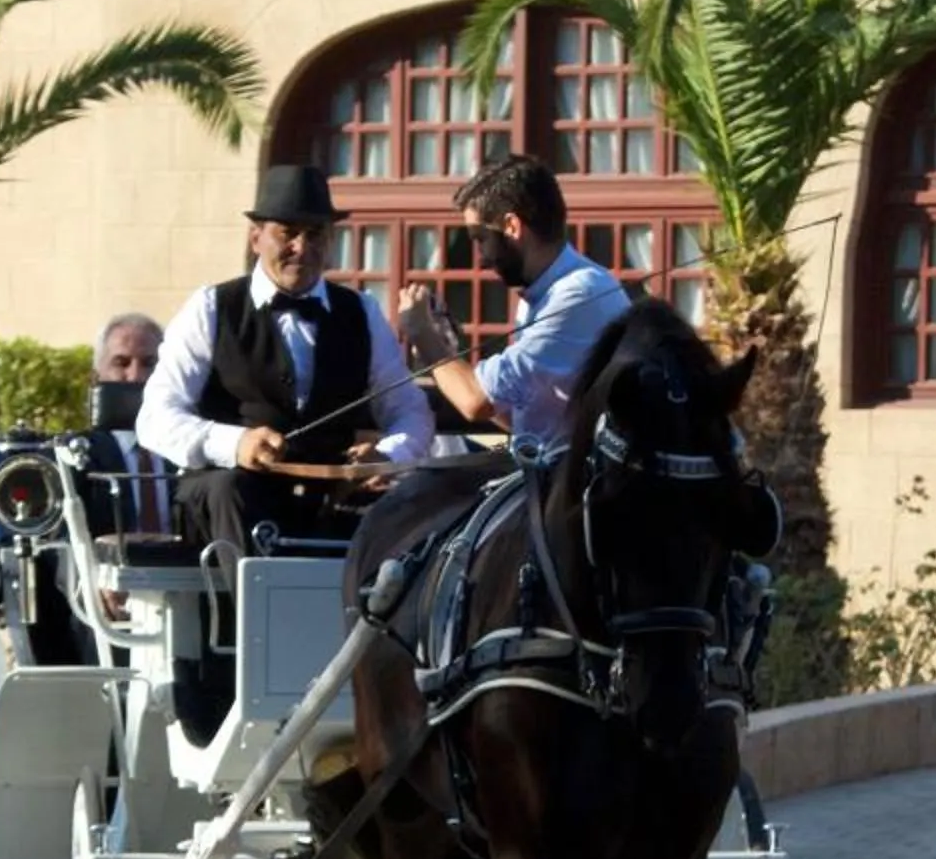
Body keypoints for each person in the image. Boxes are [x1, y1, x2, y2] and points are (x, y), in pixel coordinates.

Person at [138, 162, 433, 556]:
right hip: (228, 499)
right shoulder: (211, 307)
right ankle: (244, 616)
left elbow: (410, 411)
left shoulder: (361, 312)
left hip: (327, 497)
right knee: (231, 489)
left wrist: (387, 455)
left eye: (315, 235)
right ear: (256, 237)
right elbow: (155, 418)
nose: (302, 248)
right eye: (288, 233)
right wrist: (233, 443)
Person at [395, 151, 633, 450]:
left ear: (511, 226)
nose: (480, 259)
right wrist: (452, 353)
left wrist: (423, 335)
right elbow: (518, 416)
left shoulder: (578, 294)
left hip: (584, 487)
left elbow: (476, 402)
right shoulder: (541, 293)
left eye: (479, 238)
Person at [73, 312, 177, 541]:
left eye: (150, 364)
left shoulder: (189, 449)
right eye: (121, 363)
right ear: (96, 377)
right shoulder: (80, 457)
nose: (136, 376)